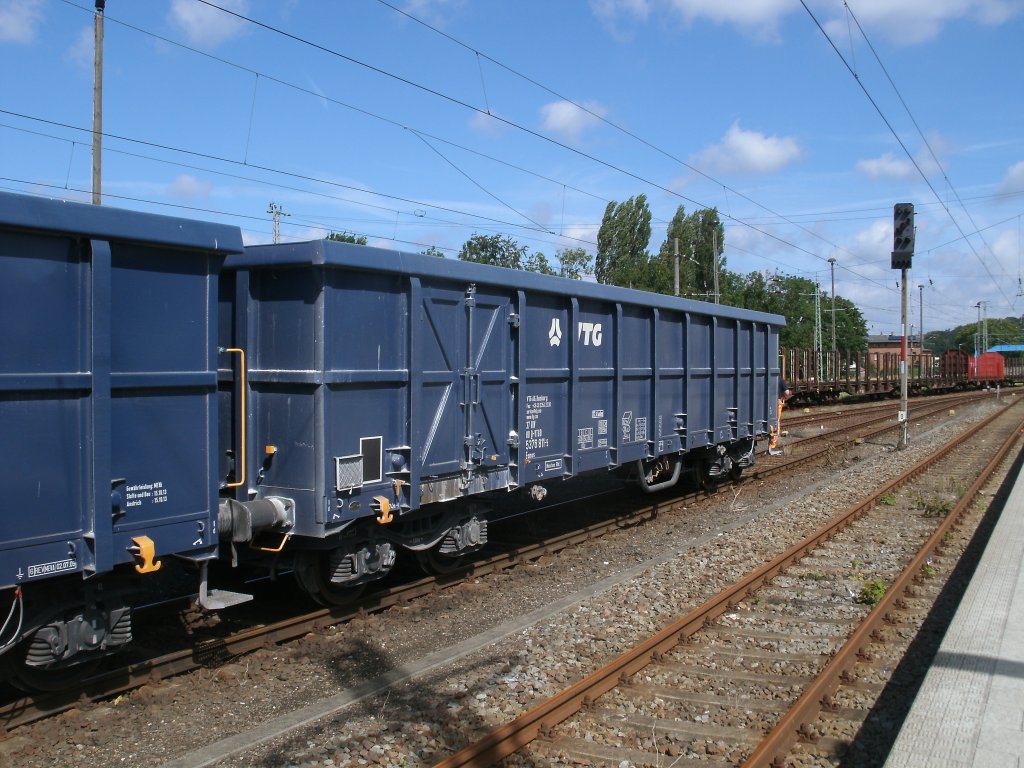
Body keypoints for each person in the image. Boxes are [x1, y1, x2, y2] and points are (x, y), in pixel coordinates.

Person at [769, 377, 792, 456]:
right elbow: (787, 392)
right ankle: (772, 445)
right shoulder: (781, 380)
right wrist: (782, 398)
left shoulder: (767, 378)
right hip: (776, 403)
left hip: (766, 403)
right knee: (776, 423)